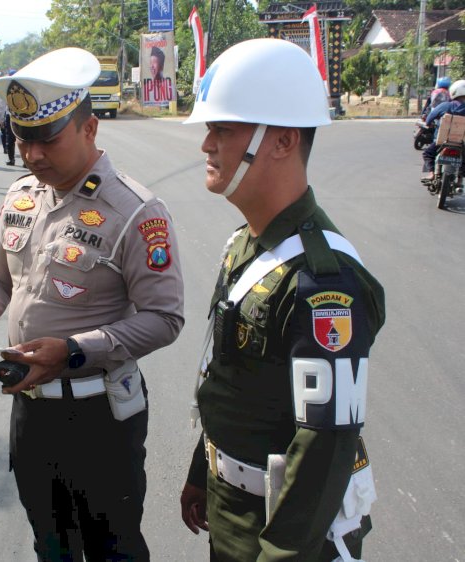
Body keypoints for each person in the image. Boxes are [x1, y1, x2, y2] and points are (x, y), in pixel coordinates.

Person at [0, 47, 185, 561]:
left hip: (99, 418)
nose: (33, 155)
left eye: (47, 139)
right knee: (51, 546)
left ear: (90, 130)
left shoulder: (135, 212)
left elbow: (164, 319)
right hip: (31, 412)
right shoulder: (22, 196)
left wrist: (72, 351)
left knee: (112, 549)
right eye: (23, 139)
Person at [179, 38, 385, 562]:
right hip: (233, 507)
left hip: (287, 531)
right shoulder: (248, 244)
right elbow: (230, 379)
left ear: (282, 140)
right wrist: (203, 471)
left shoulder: (324, 281)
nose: (207, 144)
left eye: (223, 128)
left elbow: (325, 448)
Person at [421, 79, 465, 182]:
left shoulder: (445, 105)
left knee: (428, 153)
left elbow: (429, 119)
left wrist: (428, 123)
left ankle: (431, 173)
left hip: (441, 141)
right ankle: (460, 177)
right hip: (462, 143)